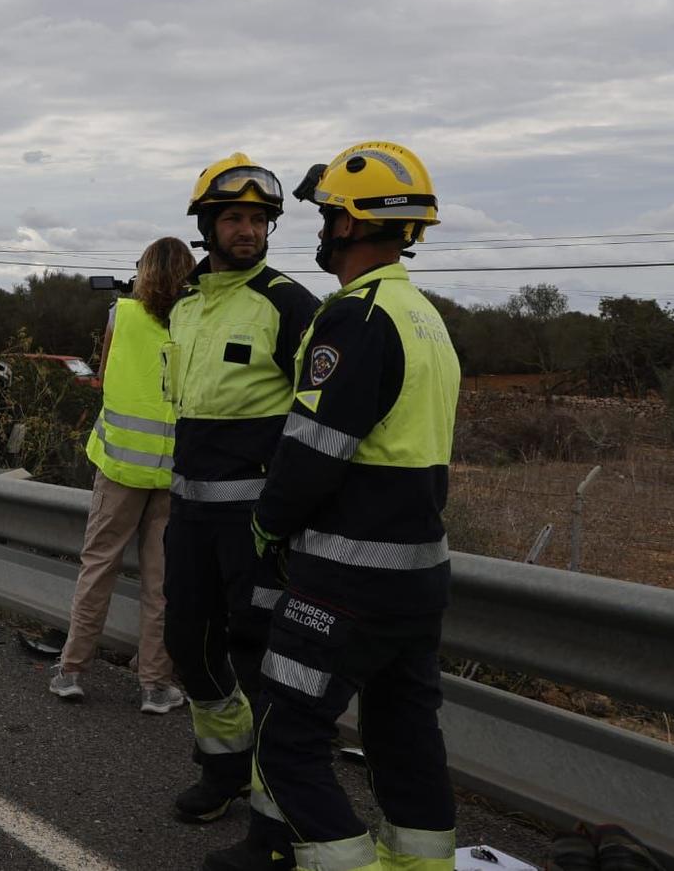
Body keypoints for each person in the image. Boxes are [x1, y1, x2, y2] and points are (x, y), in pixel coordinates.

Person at [238, 142, 460, 871]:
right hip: (417, 580)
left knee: (283, 738)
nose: (324, 226)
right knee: (403, 738)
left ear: (352, 224)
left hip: (345, 579)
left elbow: (311, 453)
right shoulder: (425, 317)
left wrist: (267, 523)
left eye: (330, 213)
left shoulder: (356, 317)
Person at [162, 154, 321, 845]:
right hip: (189, 514)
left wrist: (287, 514)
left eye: (259, 219)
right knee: (188, 646)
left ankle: (274, 797)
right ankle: (222, 767)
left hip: (255, 524)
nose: (249, 229)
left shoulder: (290, 304)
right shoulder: (186, 304)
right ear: (206, 224)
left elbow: (319, 415)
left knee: (257, 654)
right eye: (235, 217)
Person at [50, 236, 193, 714]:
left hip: (118, 466)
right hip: (174, 472)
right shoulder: (196, 324)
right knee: (162, 583)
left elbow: (106, 376)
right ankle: (155, 685)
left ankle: (71, 671)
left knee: (98, 567)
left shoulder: (122, 314)